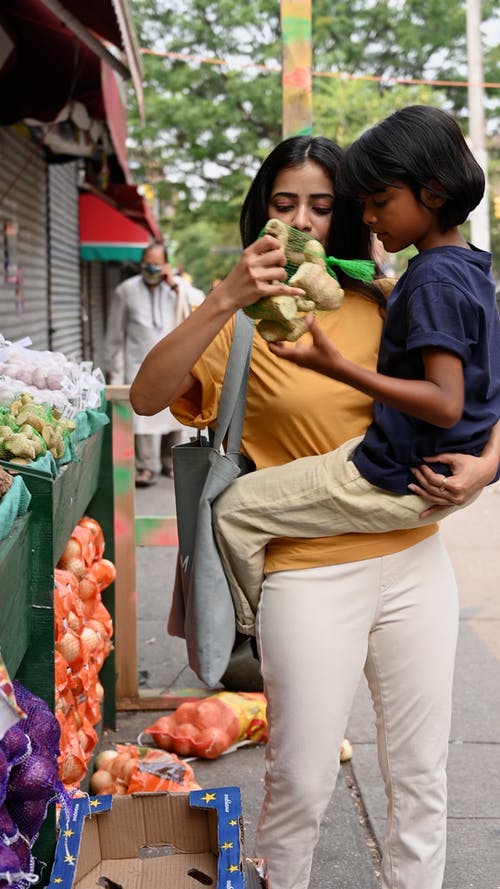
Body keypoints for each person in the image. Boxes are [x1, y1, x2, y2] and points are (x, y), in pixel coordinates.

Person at [130, 134, 500, 889]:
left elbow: (475, 390)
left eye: (323, 206)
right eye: (285, 202)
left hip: (413, 560)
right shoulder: (236, 324)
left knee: (422, 776)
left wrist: (488, 467)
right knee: (299, 780)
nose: (302, 219)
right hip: (303, 572)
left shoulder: (387, 298)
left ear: (353, 216)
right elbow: (144, 397)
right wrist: (227, 296)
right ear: (262, 211)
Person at [212, 105, 500, 619]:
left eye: (379, 201)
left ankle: (249, 634)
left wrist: (337, 367)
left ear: (432, 195)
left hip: (393, 475)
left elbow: (446, 403)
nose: (367, 216)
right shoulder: (469, 267)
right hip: (422, 474)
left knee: (234, 510)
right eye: (362, 203)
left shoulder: (427, 281)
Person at [103, 241, 192, 486]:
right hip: (138, 363)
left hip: (174, 364)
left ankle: (169, 462)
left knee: (173, 413)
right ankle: (145, 466)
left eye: (157, 263)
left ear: (166, 265)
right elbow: (114, 332)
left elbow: (197, 307)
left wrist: (174, 285)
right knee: (143, 417)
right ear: (141, 264)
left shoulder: (178, 288)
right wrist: (110, 365)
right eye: (148, 263)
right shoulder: (126, 290)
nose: (152, 268)